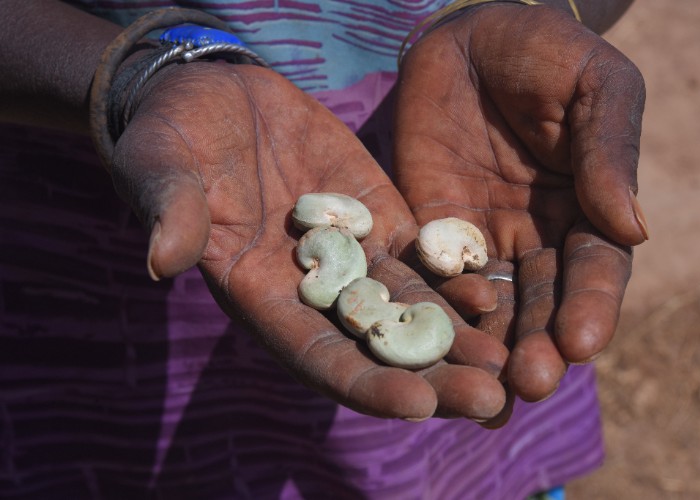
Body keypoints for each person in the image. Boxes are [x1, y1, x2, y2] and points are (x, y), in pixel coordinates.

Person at [0, 0, 647, 498]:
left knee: (469, 405)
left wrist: (528, 11)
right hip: (108, 253)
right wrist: (133, 75)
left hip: (467, 164)